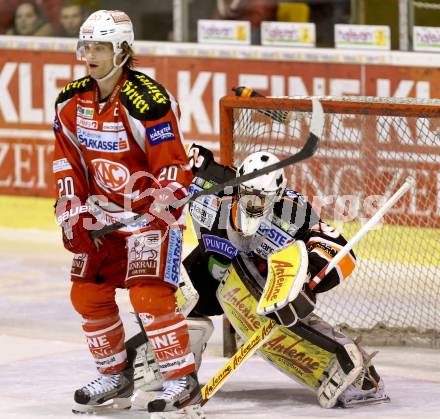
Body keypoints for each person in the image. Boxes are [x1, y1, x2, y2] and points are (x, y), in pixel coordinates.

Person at [134, 142, 390, 409]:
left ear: (277, 195)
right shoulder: (210, 182)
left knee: (267, 318)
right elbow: (179, 158)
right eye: (247, 193)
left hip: (257, 280)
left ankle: (354, 368)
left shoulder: (294, 210)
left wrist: (309, 277)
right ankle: (175, 366)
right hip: (209, 268)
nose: (253, 203)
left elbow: (340, 251)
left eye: (263, 197)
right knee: (166, 294)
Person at [52, 9, 203, 415]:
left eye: (99, 46)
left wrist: (163, 200)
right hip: (102, 214)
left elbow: (172, 162)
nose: (89, 54)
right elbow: (68, 162)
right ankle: (116, 375)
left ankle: (181, 380)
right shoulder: (70, 100)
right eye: (85, 46)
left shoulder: (149, 100)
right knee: (86, 293)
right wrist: (71, 212)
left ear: (122, 50)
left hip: (150, 214)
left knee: (149, 295)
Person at [214, 0, 278, 44]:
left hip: (254, 33)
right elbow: (217, 18)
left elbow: (259, 18)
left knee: (252, 33)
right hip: (230, 34)